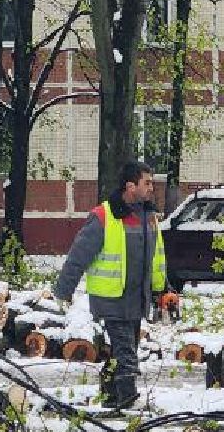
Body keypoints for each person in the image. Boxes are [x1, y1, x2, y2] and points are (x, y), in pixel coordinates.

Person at [54, 160, 178, 409]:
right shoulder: (103, 216)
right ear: (130, 186)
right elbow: (79, 255)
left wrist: (163, 290)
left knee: (123, 350)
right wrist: (64, 290)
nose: (151, 188)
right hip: (111, 298)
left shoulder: (149, 217)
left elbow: (156, 258)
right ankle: (128, 400)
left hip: (136, 299)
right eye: (147, 183)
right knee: (126, 353)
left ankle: (110, 397)